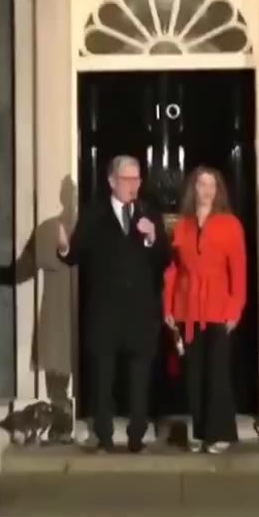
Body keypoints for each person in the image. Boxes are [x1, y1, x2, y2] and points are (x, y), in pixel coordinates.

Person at [57, 155, 169, 453]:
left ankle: (136, 436)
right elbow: (75, 255)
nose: (133, 185)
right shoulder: (94, 215)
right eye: (127, 179)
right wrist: (65, 248)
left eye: (137, 179)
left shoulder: (148, 213)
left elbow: (165, 259)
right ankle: (104, 435)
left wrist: (152, 238)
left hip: (140, 312)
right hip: (105, 311)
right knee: (103, 375)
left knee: (139, 378)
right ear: (111, 181)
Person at [163, 166, 247, 454]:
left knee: (218, 374)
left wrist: (235, 309)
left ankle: (220, 433)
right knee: (194, 375)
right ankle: (201, 433)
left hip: (218, 308)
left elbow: (238, 269)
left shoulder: (230, 224)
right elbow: (172, 270)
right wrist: (168, 306)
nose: (207, 190)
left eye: (212, 185)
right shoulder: (182, 225)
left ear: (218, 190)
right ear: (193, 188)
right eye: (202, 184)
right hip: (187, 310)